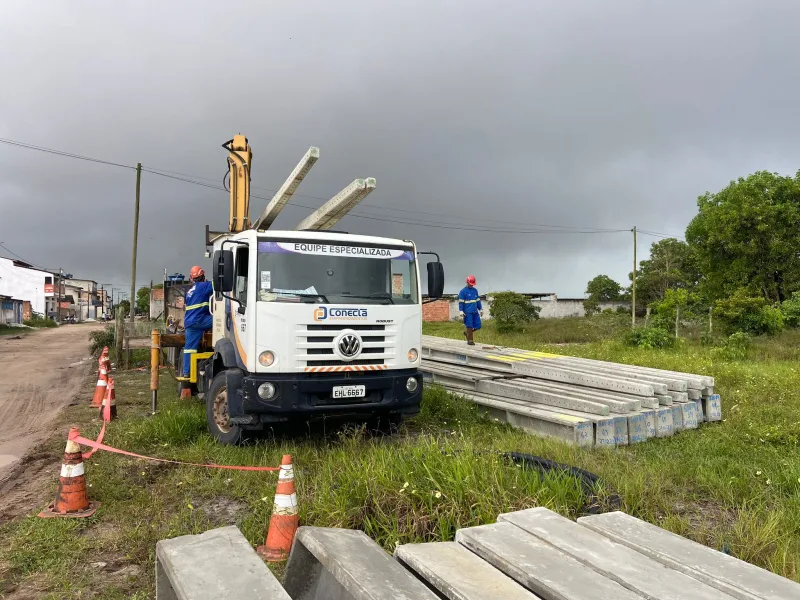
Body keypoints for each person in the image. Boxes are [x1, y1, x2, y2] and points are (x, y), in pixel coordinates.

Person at [181, 265, 213, 398]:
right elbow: (220, 283)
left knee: (189, 349)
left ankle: (186, 373)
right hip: (200, 320)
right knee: (224, 320)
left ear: (192, 278)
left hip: (189, 323)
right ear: (203, 276)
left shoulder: (189, 290)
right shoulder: (205, 286)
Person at [458, 275, 483, 345]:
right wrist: (461, 310)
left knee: (478, 325)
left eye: (472, 284)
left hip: (475, 311)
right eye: (470, 284)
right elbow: (461, 302)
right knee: (469, 325)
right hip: (468, 312)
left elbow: (478, 301)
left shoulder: (475, 291)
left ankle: (467, 333)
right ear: (467, 282)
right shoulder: (463, 291)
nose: (471, 285)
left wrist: (480, 309)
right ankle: (470, 340)